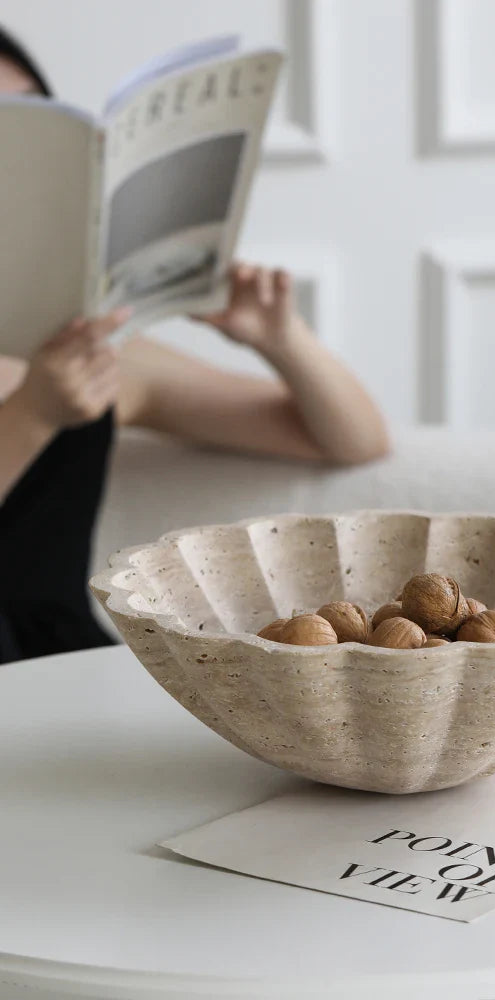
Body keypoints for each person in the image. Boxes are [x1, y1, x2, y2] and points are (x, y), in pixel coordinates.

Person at [0, 28, 390, 664]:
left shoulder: (98, 353)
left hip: (64, 672)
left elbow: (354, 439)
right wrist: (35, 414)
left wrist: (279, 338)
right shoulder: (72, 371)